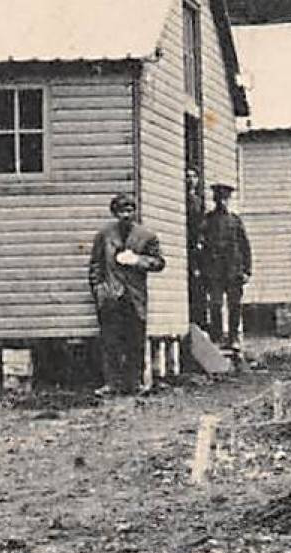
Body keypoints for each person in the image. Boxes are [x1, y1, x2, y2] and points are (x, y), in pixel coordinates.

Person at [88, 193, 166, 397]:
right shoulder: (104, 235)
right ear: (114, 212)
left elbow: (159, 262)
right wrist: (99, 289)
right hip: (111, 295)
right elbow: (96, 265)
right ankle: (111, 383)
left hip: (134, 296)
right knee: (110, 340)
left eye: (130, 210)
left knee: (135, 339)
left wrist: (138, 260)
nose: (126, 215)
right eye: (122, 211)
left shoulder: (146, 236)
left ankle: (135, 383)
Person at [201, 183, 252, 349]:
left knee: (234, 305)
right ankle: (217, 336)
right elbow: (201, 244)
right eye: (219, 199)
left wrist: (247, 270)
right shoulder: (207, 220)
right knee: (215, 303)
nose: (222, 202)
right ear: (215, 200)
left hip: (233, 270)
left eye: (225, 199)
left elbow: (245, 246)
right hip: (214, 269)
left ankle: (233, 337)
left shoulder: (235, 221)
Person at [185, 169, 207, 328]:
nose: (191, 180)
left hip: (197, 246)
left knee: (199, 282)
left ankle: (200, 320)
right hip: (186, 243)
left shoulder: (199, 200)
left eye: (194, 177)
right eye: (188, 176)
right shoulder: (182, 200)